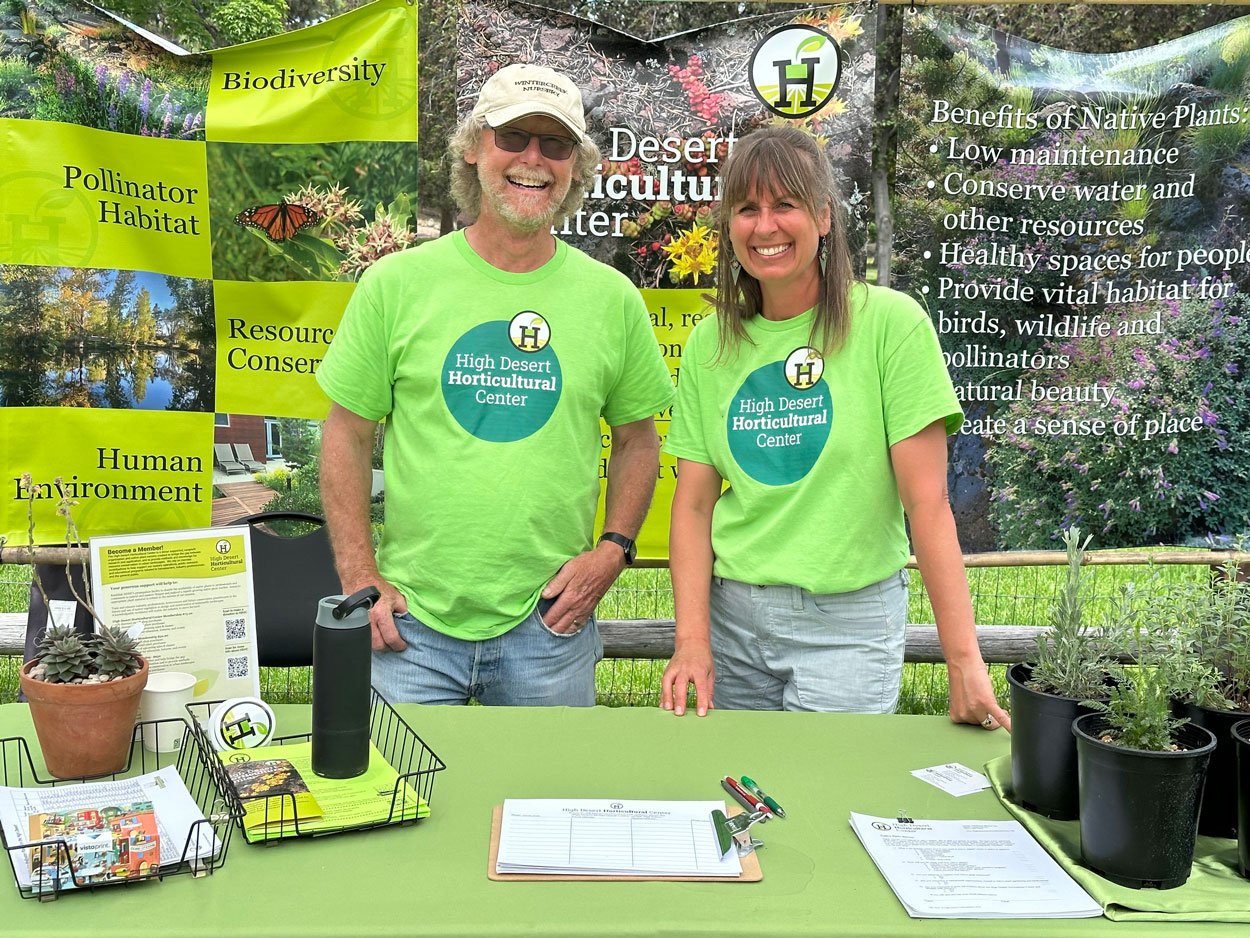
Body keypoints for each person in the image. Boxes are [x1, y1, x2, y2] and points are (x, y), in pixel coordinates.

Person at [316, 63, 673, 706]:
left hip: (550, 626)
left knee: (550, 806)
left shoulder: (611, 299)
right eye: (513, 138)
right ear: (474, 148)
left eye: (555, 144)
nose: (533, 159)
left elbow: (638, 442)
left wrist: (614, 550)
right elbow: (346, 435)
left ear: (576, 166)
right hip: (409, 632)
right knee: (404, 803)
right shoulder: (397, 285)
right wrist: (358, 574)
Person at [658, 125, 1009, 731]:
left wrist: (963, 660)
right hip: (733, 622)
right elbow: (691, 508)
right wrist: (692, 640)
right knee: (739, 803)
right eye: (746, 209)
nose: (764, 226)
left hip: (847, 628)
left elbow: (927, 505)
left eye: (785, 204)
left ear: (823, 216)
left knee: (821, 806)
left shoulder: (889, 327)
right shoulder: (711, 344)